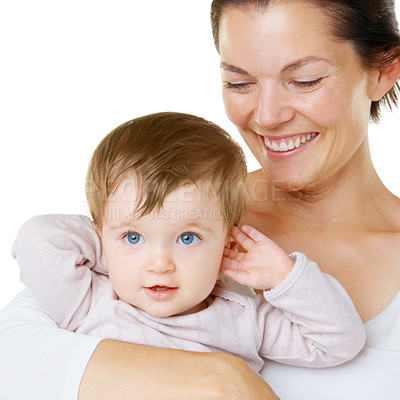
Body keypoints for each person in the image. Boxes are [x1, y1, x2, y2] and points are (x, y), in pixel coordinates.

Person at [1, 0, 399, 399]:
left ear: (384, 70)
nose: (267, 115)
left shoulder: (237, 299)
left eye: (305, 79)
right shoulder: (172, 211)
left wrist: (286, 277)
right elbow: (12, 355)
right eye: (239, 83)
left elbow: (337, 340)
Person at [12, 111, 364, 375]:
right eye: (133, 237)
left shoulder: (244, 318)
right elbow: (36, 240)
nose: (160, 263)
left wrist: (285, 277)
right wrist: (108, 242)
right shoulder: (89, 302)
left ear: (227, 242)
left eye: (187, 238)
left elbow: (338, 343)